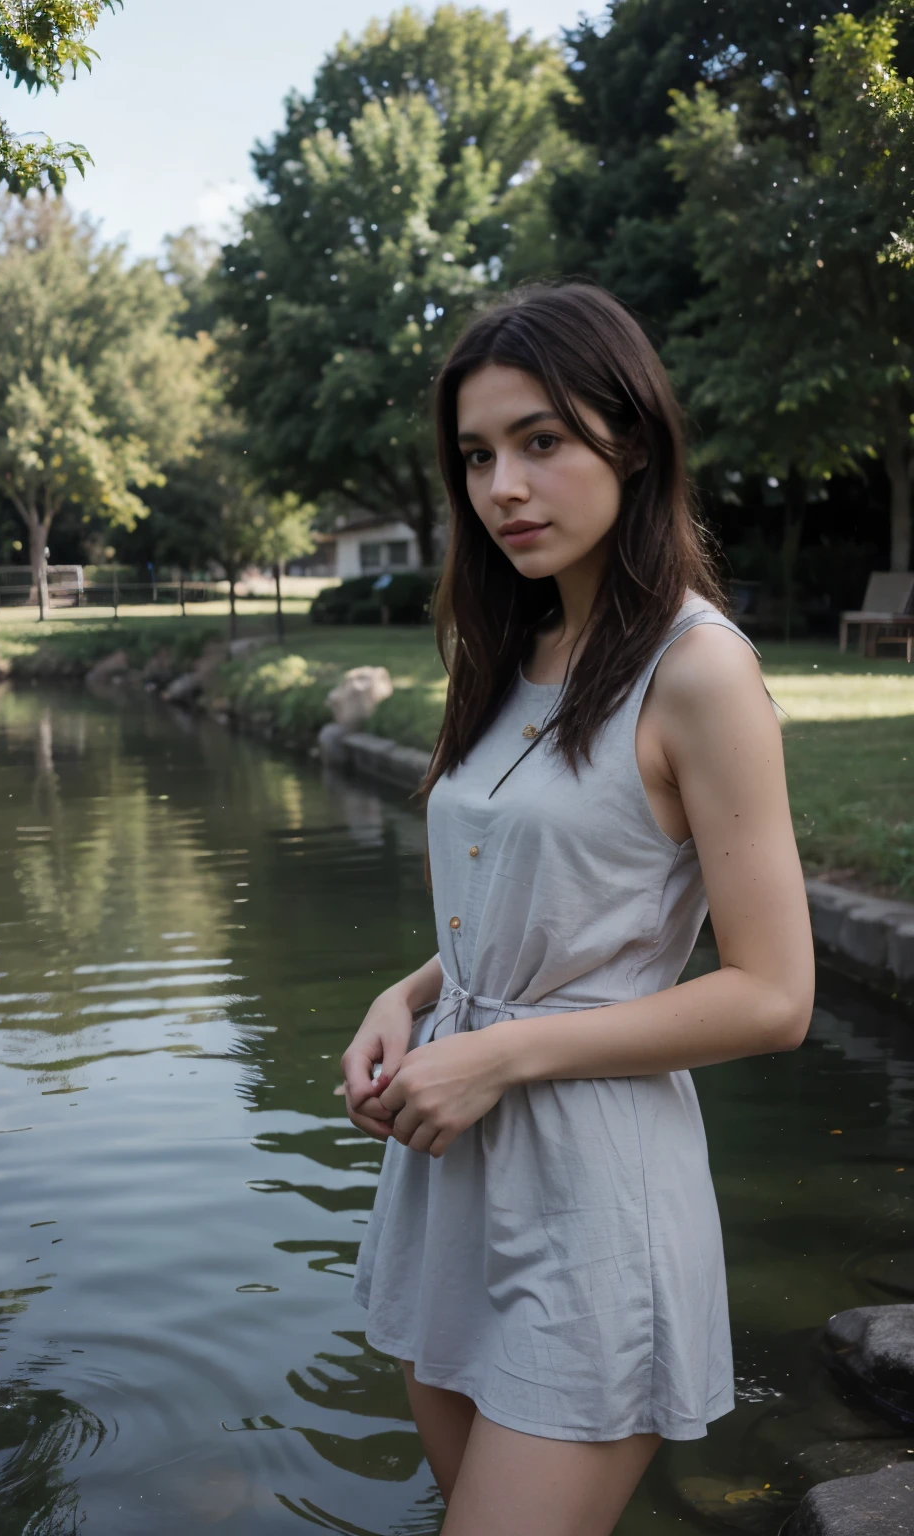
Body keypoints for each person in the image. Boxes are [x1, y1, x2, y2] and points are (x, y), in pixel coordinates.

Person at [339, 282, 814, 1536]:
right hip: (449, 1174)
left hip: (592, 1195)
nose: (502, 486)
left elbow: (773, 996)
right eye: (477, 455)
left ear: (634, 440)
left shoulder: (698, 670)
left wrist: (494, 1051)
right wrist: (408, 996)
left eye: (541, 441)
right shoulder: (509, 649)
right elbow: (528, 903)